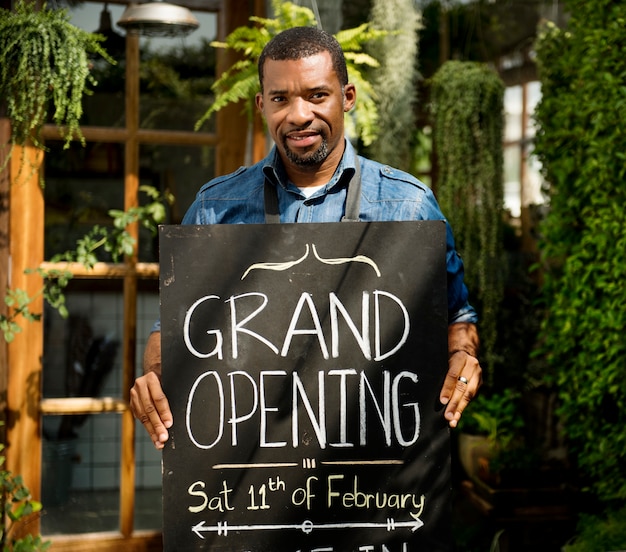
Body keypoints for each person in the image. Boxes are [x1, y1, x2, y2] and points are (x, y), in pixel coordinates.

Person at [130, 26, 482, 450]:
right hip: (253, 481)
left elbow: (456, 313)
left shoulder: (408, 206)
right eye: (280, 99)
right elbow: (173, 327)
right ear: (262, 105)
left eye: (317, 95)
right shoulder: (215, 208)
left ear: (346, 97)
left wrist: (464, 358)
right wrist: (154, 375)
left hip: (373, 485)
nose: (298, 115)